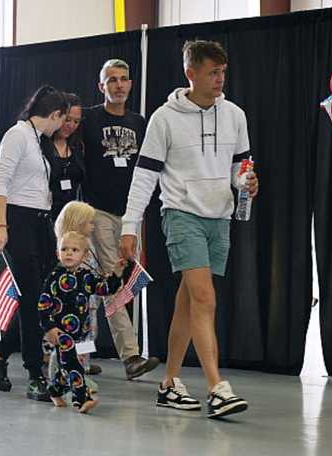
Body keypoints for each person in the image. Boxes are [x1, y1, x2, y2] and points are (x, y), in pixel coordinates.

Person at [120, 40, 259, 419]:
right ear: (191, 73)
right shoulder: (164, 119)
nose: (219, 79)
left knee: (189, 300)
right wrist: (130, 226)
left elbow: (239, 166)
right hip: (181, 214)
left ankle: (169, 384)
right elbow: (144, 176)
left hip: (221, 216)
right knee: (205, 298)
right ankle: (217, 387)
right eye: (213, 72)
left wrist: (244, 181)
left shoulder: (235, 115)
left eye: (223, 72)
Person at [0, 85, 68, 401]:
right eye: (63, 119)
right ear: (55, 115)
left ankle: (0, 355)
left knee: (39, 297)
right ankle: (35, 374)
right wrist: (2, 226)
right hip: (16, 220)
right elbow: (0, 182)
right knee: (31, 298)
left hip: (40, 222)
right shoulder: (17, 135)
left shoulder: (39, 141)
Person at [77, 59, 161, 382]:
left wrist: (135, 220)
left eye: (124, 79)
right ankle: (130, 355)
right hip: (97, 212)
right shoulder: (89, 118)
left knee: (108, 284)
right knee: (111, 281)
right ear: (102, 86)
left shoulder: (139, 123)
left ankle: (80, 353)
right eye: (112, 80)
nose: (119, 85)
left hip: (130, 215)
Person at [38, 231, 129, 414]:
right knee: (72, 364)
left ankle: (54, 390)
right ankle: (82, 399)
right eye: (64, 249)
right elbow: (43, 304)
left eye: (74, 250)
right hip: (61, 333)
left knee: (69, 365)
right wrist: (49, 327)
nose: (69, 253)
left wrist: (117, 274)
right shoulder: (54, 277)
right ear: (58, 253)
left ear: (85, 255)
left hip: (81, 333)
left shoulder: (87, 276)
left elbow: (105, 289)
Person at [53, 201, 105, 376]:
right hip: (74, 305)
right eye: (90, 222)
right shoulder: (70, 249)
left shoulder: (87, 245)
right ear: (79, 222)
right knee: (78, 337)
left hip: (89, 304)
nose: (92, 226)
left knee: (89, 335)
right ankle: (71, 372)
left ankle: (83, 367)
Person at [45, 93, 85, 222]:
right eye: (67, 120)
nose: (71, 125)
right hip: (45, 214)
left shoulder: (77, 146)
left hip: (71, 217)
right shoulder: (41, 145)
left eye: (76, 121)